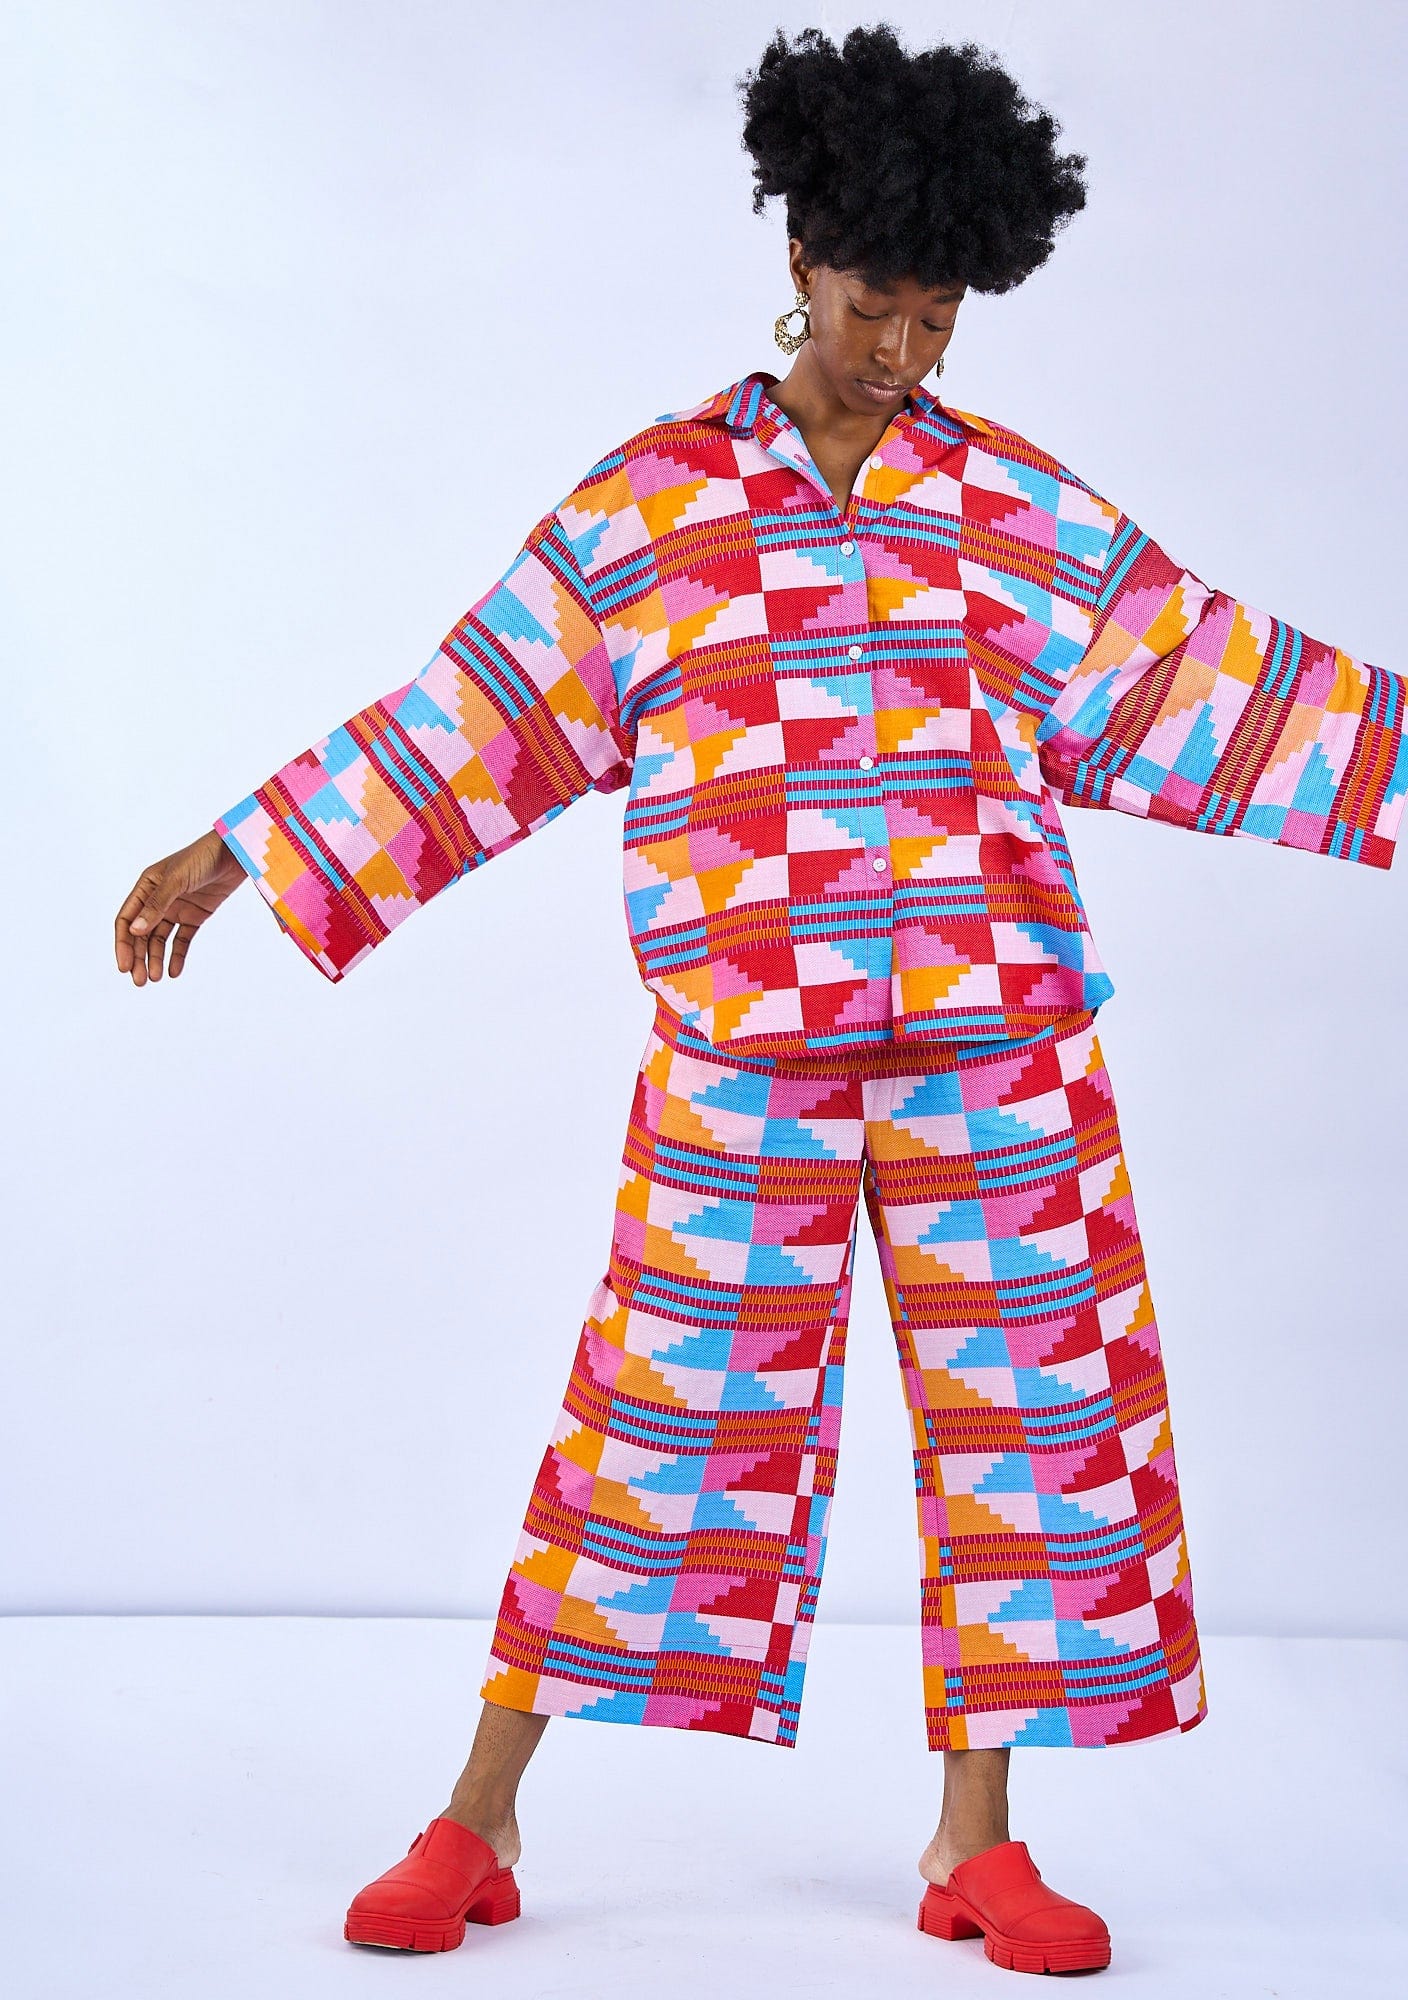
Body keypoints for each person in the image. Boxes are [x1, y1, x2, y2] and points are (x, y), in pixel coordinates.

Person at [112, 21, 1406, 1980]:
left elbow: (1217, 679)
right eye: (878, 303)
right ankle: (477, 1818)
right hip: (747, 1062)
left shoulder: (1018, 515)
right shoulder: (653, 510)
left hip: (996, 1056)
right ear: (800, 257)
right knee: (652, 1422)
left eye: (941, 317)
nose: (905, 349)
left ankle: (975, 1845)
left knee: (1033, 1441)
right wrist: (245, 843)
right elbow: (480, 711)